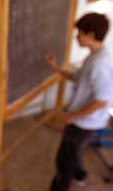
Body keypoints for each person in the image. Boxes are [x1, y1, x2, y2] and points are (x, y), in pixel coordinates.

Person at [45, 13, 113, 191]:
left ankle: (61, 186)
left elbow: (101, 101)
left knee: (64, 160)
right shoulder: (94, 56)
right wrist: (57, 69)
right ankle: (80, 175)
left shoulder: (101, 64)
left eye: (79, 33)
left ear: (90, 35)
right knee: (75, 152)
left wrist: (72, 116)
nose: (76, 37)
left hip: (84, 123)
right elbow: (80, 78)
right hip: (82, 120)